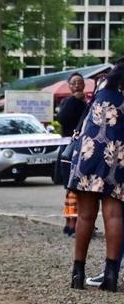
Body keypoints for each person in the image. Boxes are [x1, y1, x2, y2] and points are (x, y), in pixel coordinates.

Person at [67, 60, 124, 291]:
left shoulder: (102, 84)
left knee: (85, 215)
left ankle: (77, 274)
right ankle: (110, 277)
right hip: (117, 154)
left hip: (89, 150)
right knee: (113, 214)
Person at [57, 72, 88, 237]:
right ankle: (70, 224)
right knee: (70, 188)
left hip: (84, 149)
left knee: (80, 188)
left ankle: (79, 223)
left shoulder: (88, 103)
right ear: (69, 86)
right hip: (69, 151)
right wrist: (74, 99)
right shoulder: (66, 102)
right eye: (74, 82)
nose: (77, 85)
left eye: (80, 82)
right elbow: (62, 119)